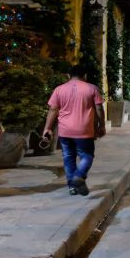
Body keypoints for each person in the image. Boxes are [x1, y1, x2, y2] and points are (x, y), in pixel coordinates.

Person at [42, 65, 106, 196]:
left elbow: (53, 110)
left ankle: (72, 186)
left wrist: (47, 128)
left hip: (65, 131)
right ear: (85, 75)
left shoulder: (59, 89)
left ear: (68, 75)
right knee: (87, 155)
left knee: (68, 157)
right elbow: (99, 108)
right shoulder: (91, 88)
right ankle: (79, 175)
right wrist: (101, 125)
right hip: (84, 130)